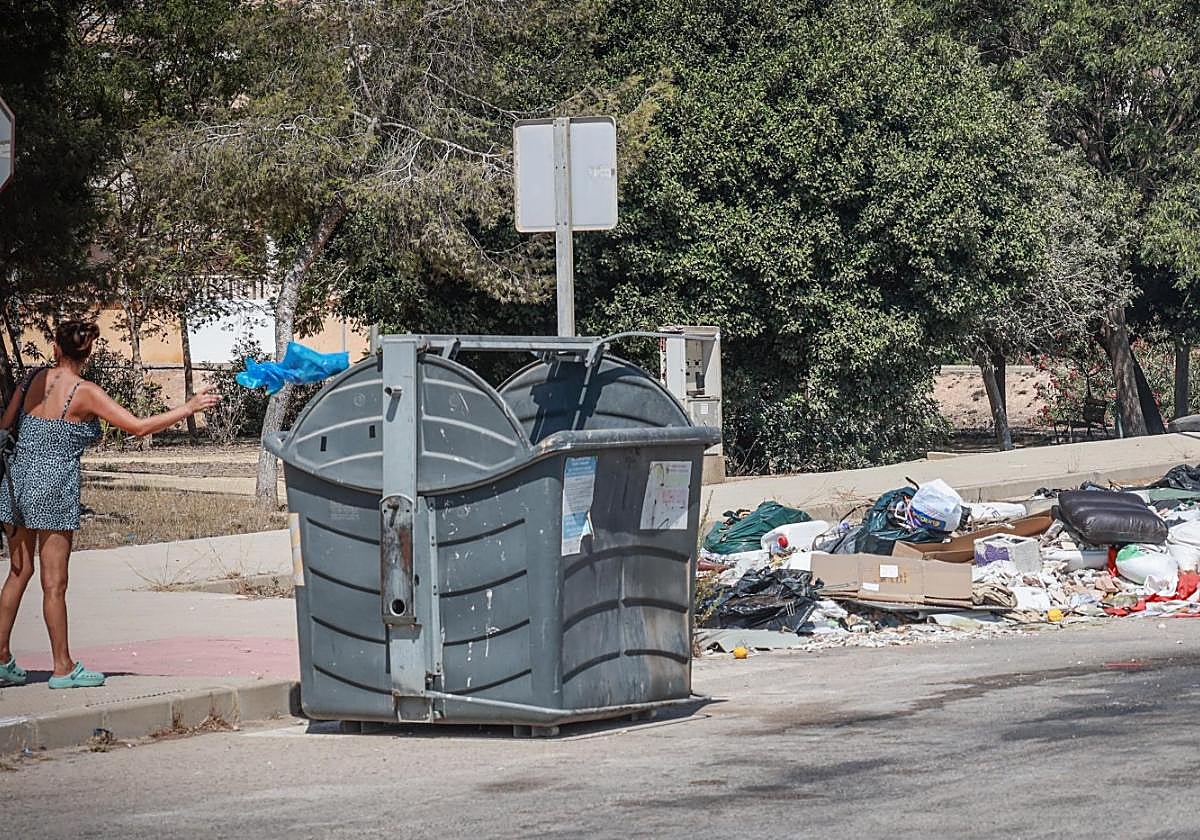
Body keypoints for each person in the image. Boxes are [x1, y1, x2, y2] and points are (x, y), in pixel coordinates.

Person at [0, 321, 219, 689]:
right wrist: (189, 407)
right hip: (53, 489)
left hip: (16, 484)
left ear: (55, 348)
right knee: (55, 584)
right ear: (88, 354)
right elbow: (138, 427)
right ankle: (62, 667)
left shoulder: (31, 379)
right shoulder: (85, 392)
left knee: (18, 573)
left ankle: (2, 657)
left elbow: (6, 425)